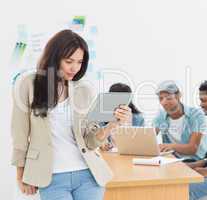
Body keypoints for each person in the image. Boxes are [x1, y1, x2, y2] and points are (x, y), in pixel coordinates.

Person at [11, 29, 132, 200]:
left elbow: (90, 141)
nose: (75, 68)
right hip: (51, 177)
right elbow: (19, 133)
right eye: (69, 61)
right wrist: (20, 174)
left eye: (80, 62)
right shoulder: (27, 83)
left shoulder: (84, 88)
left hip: (88, 174)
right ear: (54, 58)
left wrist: (112, 124)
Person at [153, 80, 207, 161]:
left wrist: (170, 146)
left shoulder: (196, 115)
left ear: (178, 96)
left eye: (168, 98)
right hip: (174, 160)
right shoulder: (161, 116)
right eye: (161, 98)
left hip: (196, 160)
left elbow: (192, 148)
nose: (163, 102)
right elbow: (150, 136)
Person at [100, 83, 145, 151]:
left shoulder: (138, 119)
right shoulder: (102, 118)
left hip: (130, 154)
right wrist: (102, 144)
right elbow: (97, 141)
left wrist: (128, 123)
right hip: (109, 155)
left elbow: (142, 143)